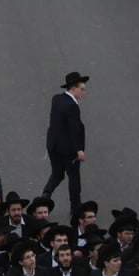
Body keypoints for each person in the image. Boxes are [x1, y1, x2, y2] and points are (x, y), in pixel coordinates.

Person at [43, 72, 88, 209]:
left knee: (57, 174)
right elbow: (74, 130)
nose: (83, 92)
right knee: (74, 177)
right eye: (82, 89)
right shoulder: (72, 106)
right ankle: (76, 206)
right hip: (68, 150)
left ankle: (44, 196)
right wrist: (79, 150)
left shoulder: (56, 99)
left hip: (53, 146)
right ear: (73, 88)